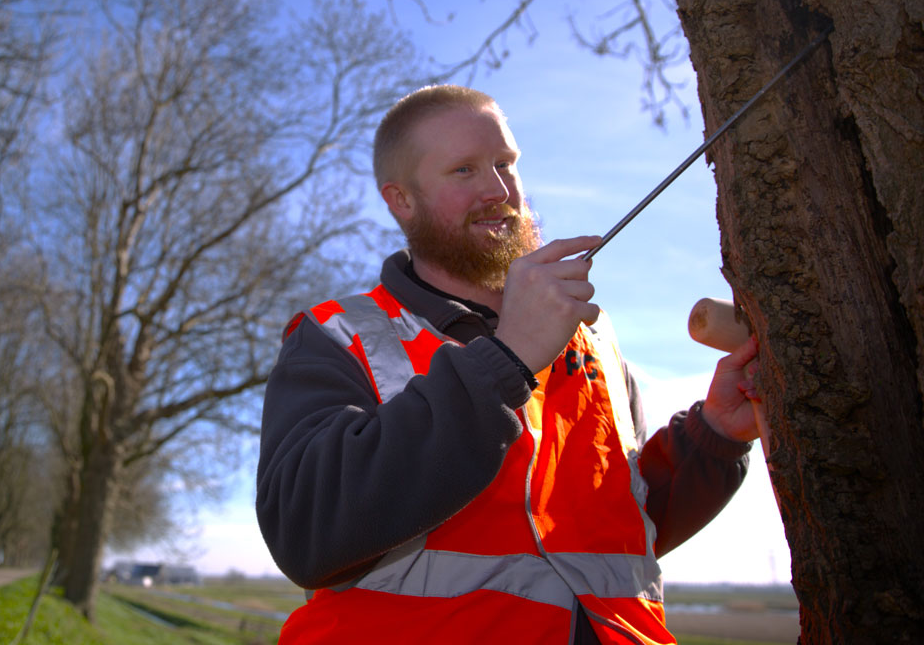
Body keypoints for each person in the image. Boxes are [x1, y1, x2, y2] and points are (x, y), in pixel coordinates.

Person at [255, 84, 762, 644]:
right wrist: (507, 360)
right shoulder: (338, 335)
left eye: (505, 163)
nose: (498, 190)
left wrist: (715, 437)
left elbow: (617, 530)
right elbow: (305, 530)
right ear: (402, 200)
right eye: (464, 171)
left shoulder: (590, 338)